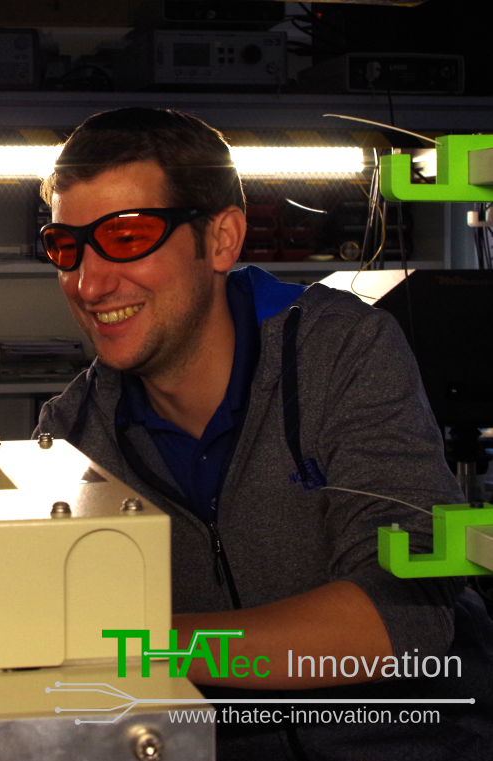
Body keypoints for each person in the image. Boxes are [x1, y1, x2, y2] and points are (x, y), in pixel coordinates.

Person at [34, 108, 493, 759]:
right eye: (66, 248)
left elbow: (401, 616)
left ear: (221, 239)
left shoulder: (340, 353)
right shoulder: (72, 433)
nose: (89, 283)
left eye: (127, 237)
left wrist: (142, 645)